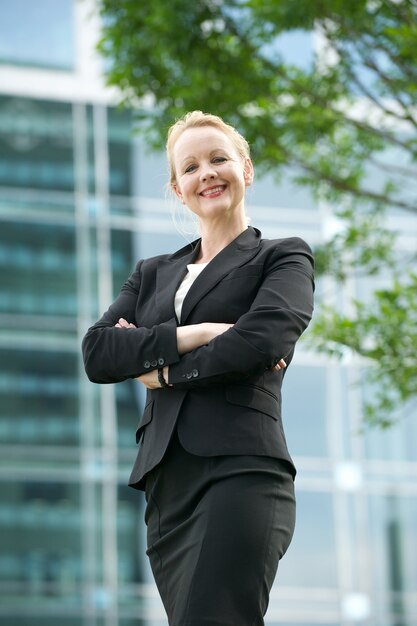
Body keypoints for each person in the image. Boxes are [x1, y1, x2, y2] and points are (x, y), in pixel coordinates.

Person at [82, 110, 314, 626]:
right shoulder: (152, 274)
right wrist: (201, 333)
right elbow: (98, 353)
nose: (206, 173)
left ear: (245, 169)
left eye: (218, 159)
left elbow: (261, 340)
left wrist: (159, 368)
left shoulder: (283, 258)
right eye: (190, 167)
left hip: (240, 470)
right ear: (177, 187)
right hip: (167, 487)